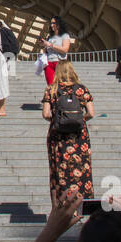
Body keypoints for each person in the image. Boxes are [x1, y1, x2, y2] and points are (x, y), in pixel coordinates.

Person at [41, 60, 95, 208]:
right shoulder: (82, 90)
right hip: (79, 137)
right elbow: (91, 113)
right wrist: (80, 120)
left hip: (58, 136)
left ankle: (60, 207)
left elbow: (46, 114)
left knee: (58, 171)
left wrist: (59, 120)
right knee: (82, 169)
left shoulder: (51, 90)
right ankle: (83, 205)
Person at [41, 16, 73, 85]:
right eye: (51, 23)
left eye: (54, 23)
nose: (51, 25)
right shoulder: (50, 37)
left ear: (59, 24)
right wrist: (44, 46)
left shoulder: (65, 35)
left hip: (59, 62)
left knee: (61, 84)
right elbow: (48, 50)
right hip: (49, 63)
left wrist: (50, 45)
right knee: (50, 85)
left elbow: (65, 49)